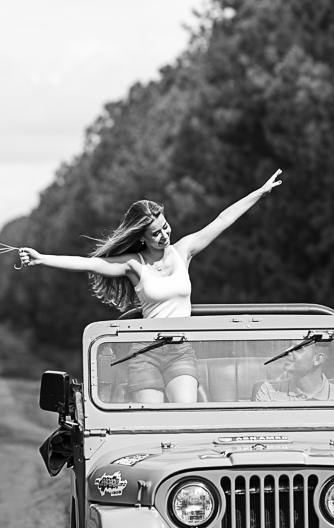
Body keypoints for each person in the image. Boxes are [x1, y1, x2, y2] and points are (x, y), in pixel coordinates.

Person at [17, 170, 282, 403]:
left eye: (165, 227)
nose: (164, 235)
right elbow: (90, 264)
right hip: (144, 352)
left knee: (185, 416)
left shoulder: (184, 251)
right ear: (141, 237)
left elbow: (222, 219)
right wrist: (42, 258)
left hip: (180, 350)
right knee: (152, 419)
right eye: (156, 233)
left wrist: (259, 192)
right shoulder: (134, 265)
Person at [254, 341, 334, 402]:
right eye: (289, 347)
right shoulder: (269, 392)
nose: (287, 352)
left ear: (317, 359)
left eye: (297, 349)